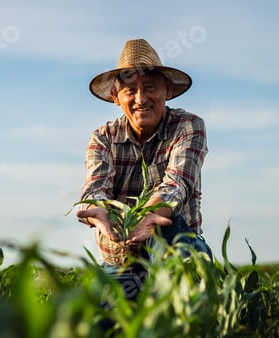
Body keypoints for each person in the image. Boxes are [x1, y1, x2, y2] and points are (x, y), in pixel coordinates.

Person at [76, 39, 209, 301]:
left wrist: (151, 215)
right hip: (122, 260)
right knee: (95, 319)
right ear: (116, 97)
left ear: (167, 90)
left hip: (178, 249)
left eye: (150, 87)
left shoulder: (188, 126)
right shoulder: (103, 138)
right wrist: (97, 210)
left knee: (169, 231)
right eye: (129, 90)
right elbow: (96, 188)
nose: (140, 98)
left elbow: (177, 183)